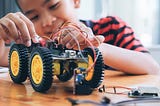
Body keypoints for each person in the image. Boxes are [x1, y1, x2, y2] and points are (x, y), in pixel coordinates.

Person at [0, 0, 159, 75]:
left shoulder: (111, 28)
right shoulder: (40, 47)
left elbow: (152, 69)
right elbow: (2, 56)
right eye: (34, 17)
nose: (47, 21)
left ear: (75, 1)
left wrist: (92, 44)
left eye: (54, 6)